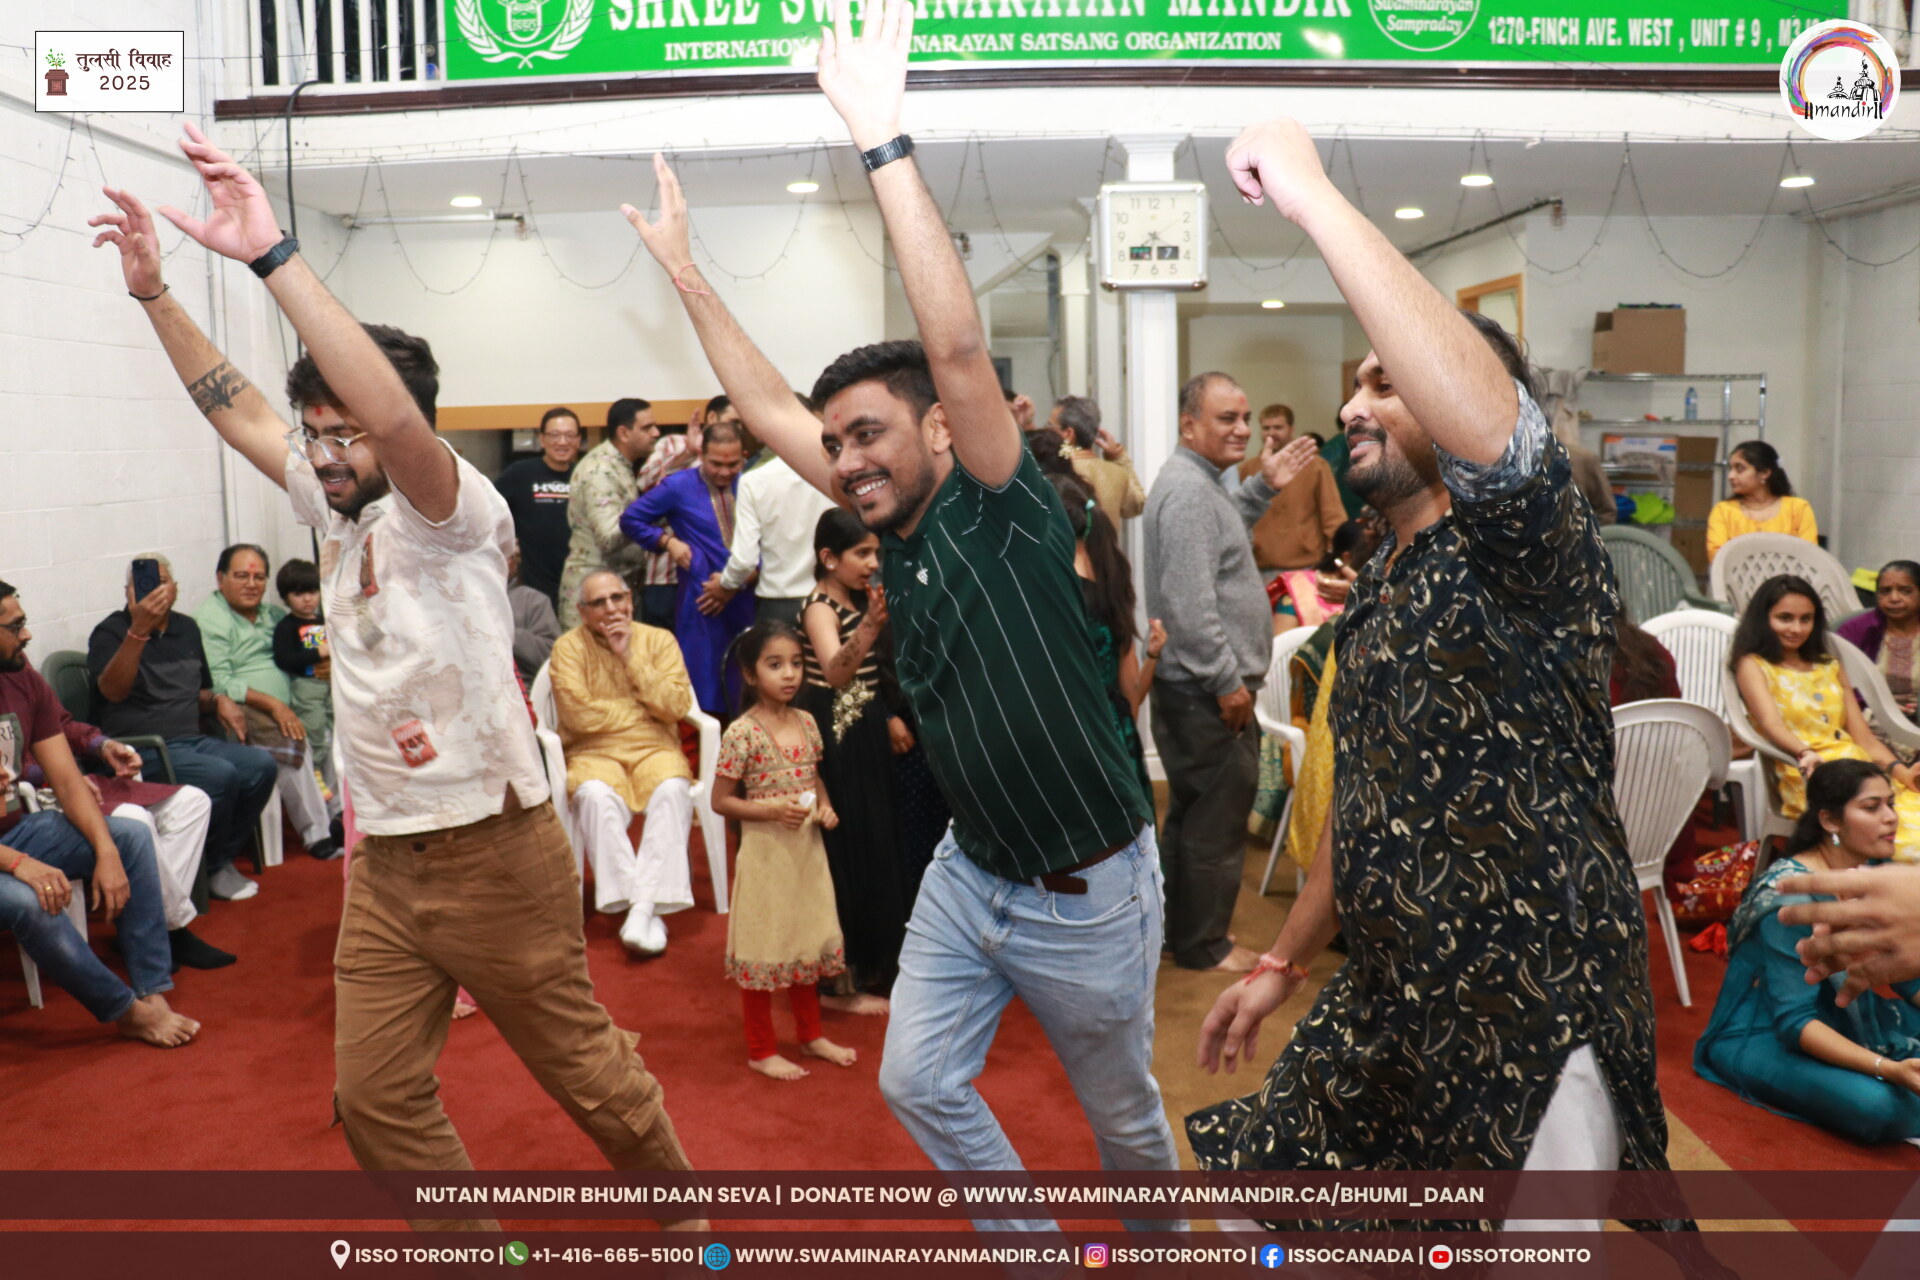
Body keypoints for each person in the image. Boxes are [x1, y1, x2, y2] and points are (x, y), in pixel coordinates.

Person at [620, 0, 1178, 1232]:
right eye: (838, 445)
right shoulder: (895, 534)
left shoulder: (1002, 505)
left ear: (937, 427)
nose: (847, 459)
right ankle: (1035, 1246)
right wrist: (686, 273)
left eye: (869, 432)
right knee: (917, 1080)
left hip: (1089, 888)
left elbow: (960, 349)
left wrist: (880, 137)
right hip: (972, 869)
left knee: (1125, 1121)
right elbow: (769, 403)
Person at [92, 139, 703, 1234]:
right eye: (317, 432)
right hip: (384, 864)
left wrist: (272, 253)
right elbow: (235, 407)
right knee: (374, 1103)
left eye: (348, 432)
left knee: (585, 1072)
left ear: (396, 424)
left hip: (494, 848)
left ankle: (690, 1222)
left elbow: (396, 423)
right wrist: (155, 294)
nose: (325, 452)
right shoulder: (330, 498)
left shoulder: (446, 504)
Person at [1186, 116, 1682, 1234]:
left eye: (1387, 382)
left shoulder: (1530, 550)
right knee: (1266, 1196)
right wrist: (1281, 961)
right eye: (1354, 383)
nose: (1352, 406)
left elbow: (1500, 439)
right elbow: (1367, 804)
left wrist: (1312, 196)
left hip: (1527, 1009)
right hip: (1392, 994)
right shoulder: (1384, 573)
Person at [1147, 371, 1319, 973]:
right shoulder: (1190, 492)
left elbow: (1220, 543)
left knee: (1193, 817)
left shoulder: (1200, 484)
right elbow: (1190, 607)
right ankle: (1205, 945)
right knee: (1215, 826)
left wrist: (1262, 487)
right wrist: (1225, 683)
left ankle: (1180, 934)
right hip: (1205, 690)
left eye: (1245, 417)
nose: (1243, 429)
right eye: (1227, 418)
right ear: (1188, 424)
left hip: (1193, 686)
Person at [0, 580, 203, 1045]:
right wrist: (19, 864)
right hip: (8, 854)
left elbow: (68, 779)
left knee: (130, 835)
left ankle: (152, 989)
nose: (27, 635)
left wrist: (106, 851)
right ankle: (124, 1011)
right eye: (15, 627)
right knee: (31, 899)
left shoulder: (21, 675)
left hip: (14, 834)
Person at [1695, 760, 1920, 1144]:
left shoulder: (1873, 871)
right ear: (1830, 821)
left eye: (1891, 804)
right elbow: (1795, 1021)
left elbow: (1906, 975)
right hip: (1765, 1033)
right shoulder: (1791, 897)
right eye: (1872, 807)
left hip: (1847, 1015)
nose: (1891, 818)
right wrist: (1888, 1069)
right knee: (1877, 1105)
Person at [708, 620, 855, 1080]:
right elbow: (719, 801)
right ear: (750, 674)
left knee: (805, 938)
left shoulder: (807, 722)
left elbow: (814, 780)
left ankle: (811, 1035)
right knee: (765, 942)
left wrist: (825, 808)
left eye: (796, 663)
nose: (789, 674)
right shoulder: (741, 733)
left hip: (806, 852)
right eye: (775, 665)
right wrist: (771, 811)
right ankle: (761, 1048)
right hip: (766, 856)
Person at [88, 555, 277, 902]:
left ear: (175, 588)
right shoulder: (110, 632)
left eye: (162, 582)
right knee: (221, 775)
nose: (154, 589)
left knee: (260, 766)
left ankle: (215, 860)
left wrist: (218, 699)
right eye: (143, 583)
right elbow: (112, 691)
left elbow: (198, 692)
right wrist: (138, 631)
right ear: (128, 591)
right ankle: (209, 867)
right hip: (142, 749)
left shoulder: (187, 628)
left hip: (193, 740)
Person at [549, 570, 696, 956]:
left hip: (655, 749)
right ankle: (644, 908)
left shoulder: (659, 641)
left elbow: (675, 706)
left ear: (630, 600)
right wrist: (642, 712)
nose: (611, 608)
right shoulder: (567, 648)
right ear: (582, 611)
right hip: (594, 752)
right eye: (599, 602)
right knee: (594, 796)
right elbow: (578, 716)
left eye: (617, 598)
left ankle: (639, 908)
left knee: (673, 789)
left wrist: (629, 655)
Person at [799, 509, 907, 1010]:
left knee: (875, 844)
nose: (872, 563)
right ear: (829, 558)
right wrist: (868, 626)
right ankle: (840, 984)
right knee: (846, 852)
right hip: (833, 735)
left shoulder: (860, 598)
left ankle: (871, 965)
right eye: (862, 553)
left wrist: (886, 716)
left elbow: (869, 675)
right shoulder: (819, 607)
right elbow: (836, 674)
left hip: (863, 728)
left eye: (875, 553)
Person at [1732, 574, 1920, 860]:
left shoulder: (1828, 665)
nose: (1796, 628)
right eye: (1785, 618)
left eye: (1806, 619)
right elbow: (1770, 725)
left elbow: (1864, 739)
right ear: (1763, 619)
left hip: (1863, 773)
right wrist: (1804, 752)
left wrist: (1900, 771)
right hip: (1811, 776)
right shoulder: (1754, 665)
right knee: (1907, 839)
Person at [194, 543, 339, 861]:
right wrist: (274, 705)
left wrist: (322, 669)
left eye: (259, 577)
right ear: (220, 578)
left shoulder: (274, 616)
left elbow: (306, 652)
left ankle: (338, 814)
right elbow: (219, 682)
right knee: (289, 735)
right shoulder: (210, 620)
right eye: (241, 576)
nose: (251, 584)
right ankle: (318, 834)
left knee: (335, 729)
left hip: (300, 700)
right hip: (241, 711)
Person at [619, 420, 755, 716]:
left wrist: (737, 583)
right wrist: (667, 542)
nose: (725, 472)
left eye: (733, 464)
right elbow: (630, 519)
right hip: (703, 601)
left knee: (750, 683)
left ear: (743, 456)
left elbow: (770, 539)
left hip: (749, 597)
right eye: (716, 463)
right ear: (701, 455)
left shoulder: (752, 484)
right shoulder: (678, 486)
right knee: (703, 686)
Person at [1046, 471, 1161, 809]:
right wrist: (1153, 656)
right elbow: (1132, 697)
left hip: (1070, 746)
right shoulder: (1111, 584)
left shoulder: (1049, 591)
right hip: (1116, 742)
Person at [706, 413, 837, 628]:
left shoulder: (753, 480)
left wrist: (726, 583)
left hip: (777, 603)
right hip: (830, 599)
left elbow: (744, 559)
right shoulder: (835, 475)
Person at [558, 398, 660, 631]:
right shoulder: (600, 470)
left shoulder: (621, 465)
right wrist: (657, 512)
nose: (656, 433)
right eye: (647, 427)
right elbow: (609, 537)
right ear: (624, 433)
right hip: (593, 596)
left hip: (614, 590)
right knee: (587, 657)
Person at [1234, 403, 1347, 575]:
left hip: (1306, 566)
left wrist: (1337, 559)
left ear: (1291, 429)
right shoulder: (1247, 469)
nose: (1272, 433)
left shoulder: (1316, 466)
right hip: (1259, 567)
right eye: (1266, 428)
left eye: (1278, 427)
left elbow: (1332, 515)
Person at [494, 406, 581, 607]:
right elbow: (489, 512)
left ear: (578, 440)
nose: (562, 442)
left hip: (578, 583)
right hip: (535, 586)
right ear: (541, 439)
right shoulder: (520, 473)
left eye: (570, 435)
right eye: (554, 435)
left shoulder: (584, 475)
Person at [271, 559, 335, 805]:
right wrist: (318, 653)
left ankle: (332, 773)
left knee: (335, 728)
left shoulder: (324, 620)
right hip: (306, 686)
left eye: (312, 591)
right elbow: (285, 658)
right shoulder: (286, 627)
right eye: (298, 594)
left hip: (330, 685)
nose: (307, 599)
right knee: (314, 728)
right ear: (286, 598)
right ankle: (315, 771)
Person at [1707, 440, 1819, 562]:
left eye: (1740, 469)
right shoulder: (1724, 511)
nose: (1731, 476)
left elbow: (1809, 555)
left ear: (1764, 473)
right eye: (1731, 469)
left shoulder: (1798, 508)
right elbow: (1718, 557)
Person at [1838, 560, 1920, 720]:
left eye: (1905, 591)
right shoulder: (1855, 630)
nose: (1894, 598)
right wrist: (1878, 706)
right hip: (1867, 718)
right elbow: (1835, 682)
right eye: (1885, 591)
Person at [1050, 395, 1144, 524]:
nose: (1045, 431)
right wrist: (1118, 456)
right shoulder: (1117, 473)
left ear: (1068, 435)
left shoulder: (1054, 472)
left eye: (1050, 426)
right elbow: (1138, 504)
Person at [1269, 519, 1374, 634]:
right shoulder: (1299, 588)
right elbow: (1281, 642)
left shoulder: (1375, 594)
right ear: (1346, 557)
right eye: (1372, 560)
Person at [507, 547, 562, 686]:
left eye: (508, 556)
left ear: (514, 563)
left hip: (522, 690)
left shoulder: (533, 600)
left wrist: (506, 631)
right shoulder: (463, 602)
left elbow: (552, 658)